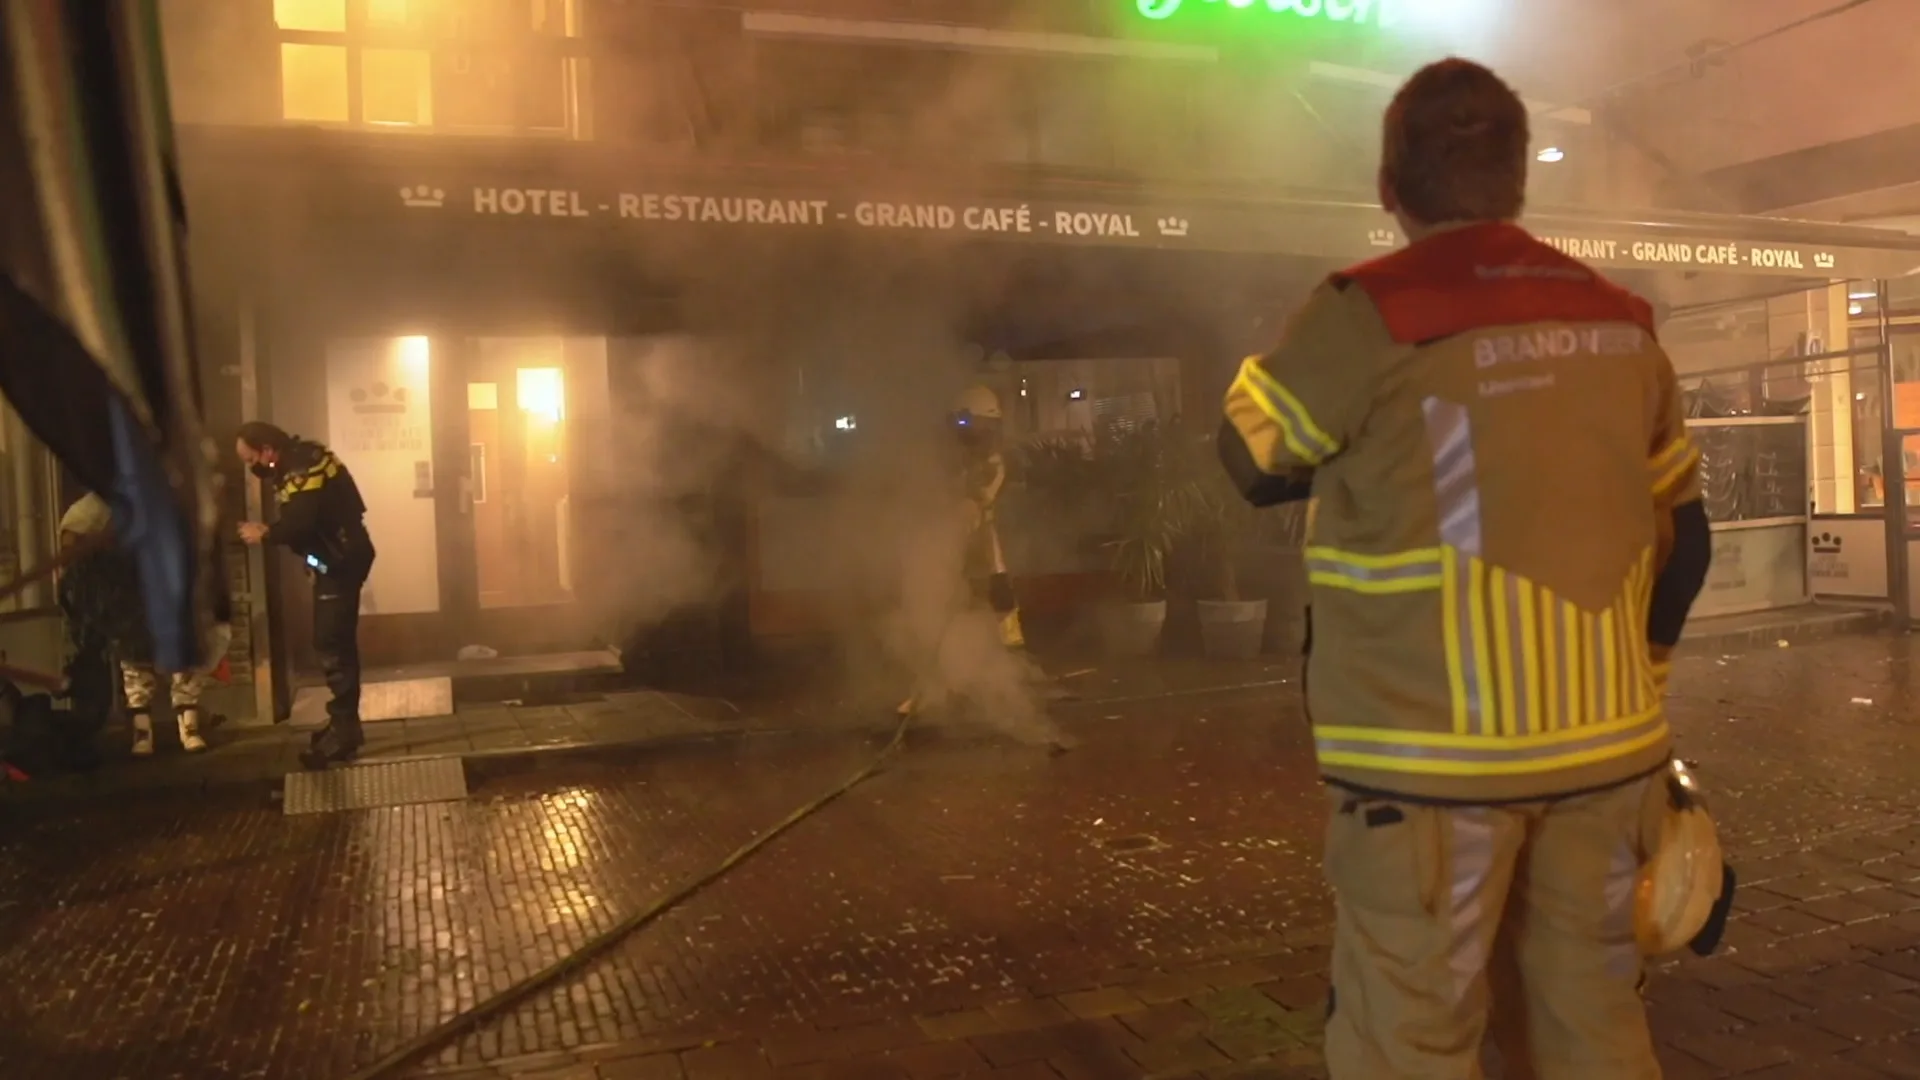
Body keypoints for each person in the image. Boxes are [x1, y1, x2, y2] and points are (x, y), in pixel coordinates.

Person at [1217, 59, 1713, 1079]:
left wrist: (1271, 364)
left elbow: (1253, 461)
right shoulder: (1623, 321)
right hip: (1609, 765)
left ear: (1389, 189)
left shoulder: (1367, 312)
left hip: (1431, 781)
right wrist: (1644, 685)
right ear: (1518, 182)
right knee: (1595, 1036)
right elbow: (1688, 540)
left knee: (1411, 1041)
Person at [233, 421, 376, 769]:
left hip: (341, 561)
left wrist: (264, 532)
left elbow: (301, 522)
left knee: (331, 643)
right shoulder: (303, 458)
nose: (251, 467)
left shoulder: (301, 467)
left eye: (251, 458)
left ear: (267, 450)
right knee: (331, 641)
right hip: (335, 559)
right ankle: (344, 724)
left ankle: (344, 731)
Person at [57, 493, 222, 755]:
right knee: (136, 664)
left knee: (177, 661)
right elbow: (71, 545)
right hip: (127, 595)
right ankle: (145, 733)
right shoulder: (95, 508)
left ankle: (184, 729)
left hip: (156, 589)